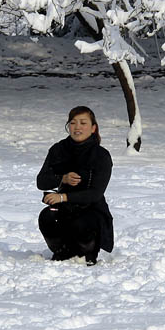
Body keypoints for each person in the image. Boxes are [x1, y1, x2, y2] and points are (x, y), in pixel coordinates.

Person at [36, 106, 114, 265]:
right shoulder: (58, 149)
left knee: (80, 222)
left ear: (93, 128)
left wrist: (63, 197)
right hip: (64, 209)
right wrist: (62, 179)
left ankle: (86, 253)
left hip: (91, 211)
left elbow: (95, 194)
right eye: (73, 123)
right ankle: (62, 252)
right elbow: (41, 181)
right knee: (46, 216)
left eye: (83, 123)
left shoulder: (101, 155)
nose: (77, 127)